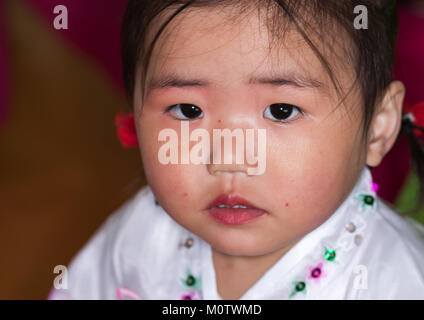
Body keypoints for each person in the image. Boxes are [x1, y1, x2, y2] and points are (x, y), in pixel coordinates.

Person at [48, 0, 424, 300]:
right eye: (188, 110)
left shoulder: (396, 281)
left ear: (378, 127)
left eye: (281, 111)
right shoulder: (144, 231)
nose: (229, 158)